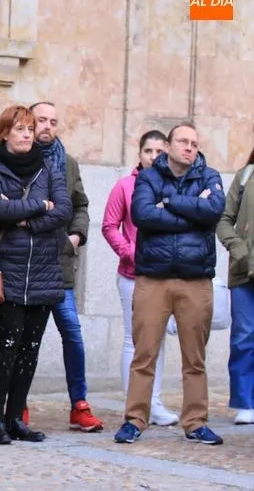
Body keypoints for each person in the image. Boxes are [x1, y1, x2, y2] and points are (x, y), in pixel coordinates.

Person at [114, 123, 226, 446]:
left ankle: (195, 421)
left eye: (194, 142)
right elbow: (143, 215)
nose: (189, 147)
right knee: (144, 353)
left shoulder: (210, 176)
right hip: (153, 278)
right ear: (169, 146)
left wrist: (170, 201)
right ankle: (135, 419)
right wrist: (192, 209)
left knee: (195, 357)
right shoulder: (149, 177)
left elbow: (213, 210)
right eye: (183, 141)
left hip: (195, 280)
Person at [0, 105, 71, 446]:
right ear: (5, 133)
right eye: (20, 129)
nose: (28, 134)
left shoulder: (49, 167)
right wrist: (37, 206)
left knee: (31, 347)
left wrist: (26, 219)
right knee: (8, 345)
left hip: (44, 269)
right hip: (9, 268)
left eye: (30, 129)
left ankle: (16, 418)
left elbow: (63, 211)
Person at [28, 102, 103, 432]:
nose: (47, 126)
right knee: (25, 338)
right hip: (27, 264)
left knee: (72, 333)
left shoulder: (68, 163)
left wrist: (76, 235)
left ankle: (79, 404)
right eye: (41, 119)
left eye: (53, 121)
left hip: (60, 267)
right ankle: (17, 405)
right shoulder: (16, 158)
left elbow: (81, 204)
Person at [102, 130, 179, 426]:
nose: (154, 156)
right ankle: (133, 402)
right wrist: (131, 253)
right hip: (133, 275)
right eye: (149, 150)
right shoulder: (125, 186)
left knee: (157, 342)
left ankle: (154, 401)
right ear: (140, 153)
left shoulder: (174, 187)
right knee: (133, 341)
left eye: (160, 151)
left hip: (166, 275)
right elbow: (109, 226)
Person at [217, 141, 254, 425]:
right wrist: (238, 248)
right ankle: (244, 402)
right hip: (244, 272)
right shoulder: (245, 176)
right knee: (244, 336)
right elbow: (224, 220)